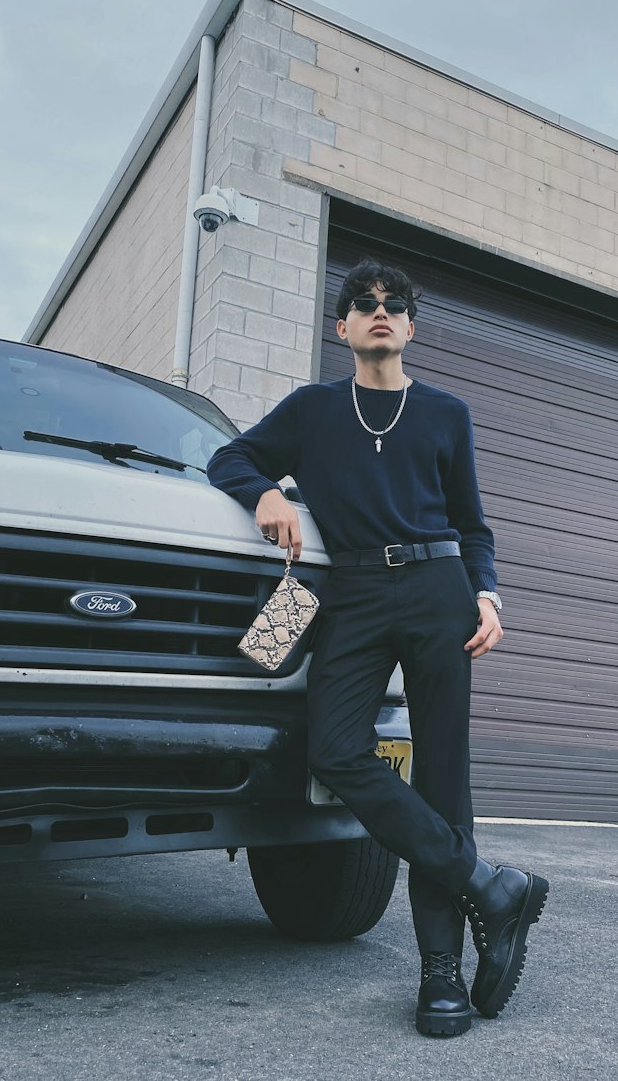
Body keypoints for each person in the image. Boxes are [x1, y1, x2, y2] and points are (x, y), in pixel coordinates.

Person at [207, 257, 548, 1038]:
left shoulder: (445, 413)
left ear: (411, 327)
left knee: (443, 781)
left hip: (439, 592)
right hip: (352, 595)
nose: (380, 312)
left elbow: (472, 522)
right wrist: (262, 493)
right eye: (364, 304)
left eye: (394, 304)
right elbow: (230, 456)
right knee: (333, 750)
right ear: (344, 327)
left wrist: (488, 593)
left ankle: (441, 974)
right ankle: (489, 885)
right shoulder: (312, 410)